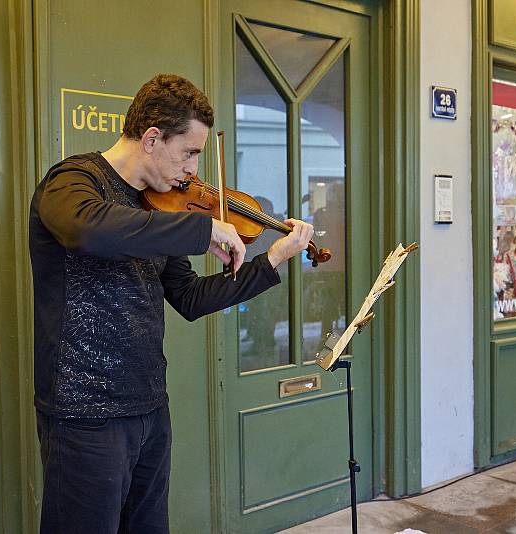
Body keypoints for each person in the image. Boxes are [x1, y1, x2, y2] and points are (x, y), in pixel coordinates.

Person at [29, 73, 314, 534]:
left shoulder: (161, 207)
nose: (194, 171)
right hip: (85, 412)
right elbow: (89, 230)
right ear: (152, 138)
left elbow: (189, 296)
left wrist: (273, 260)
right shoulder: (73, 181)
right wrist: (203, 231)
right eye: (190, 153)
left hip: (148, 407)